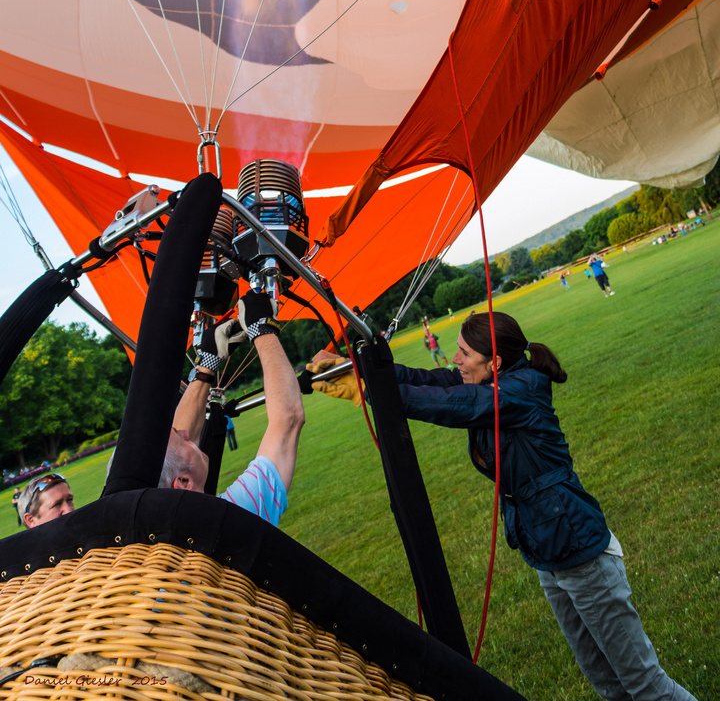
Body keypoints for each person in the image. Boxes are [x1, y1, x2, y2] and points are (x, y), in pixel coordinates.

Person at [309, 312, 697, 701]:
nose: (455, 360)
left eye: (463, 353)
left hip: (581, 553)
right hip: (548, 551)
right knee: (608, 685)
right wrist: (357, 367)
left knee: (647, 688)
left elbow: (453, 404)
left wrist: (368, 393)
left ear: (492, 363)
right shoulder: (491, 381)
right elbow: (429, 381)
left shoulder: (517, 392)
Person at [161, 290, 305, 527]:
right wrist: (262, 329)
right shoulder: (229, 520)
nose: (187, 433)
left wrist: (205, 368)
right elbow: (288, 419)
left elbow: (172, 452)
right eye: (184, 440)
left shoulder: (146, 524)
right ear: (184, 482)